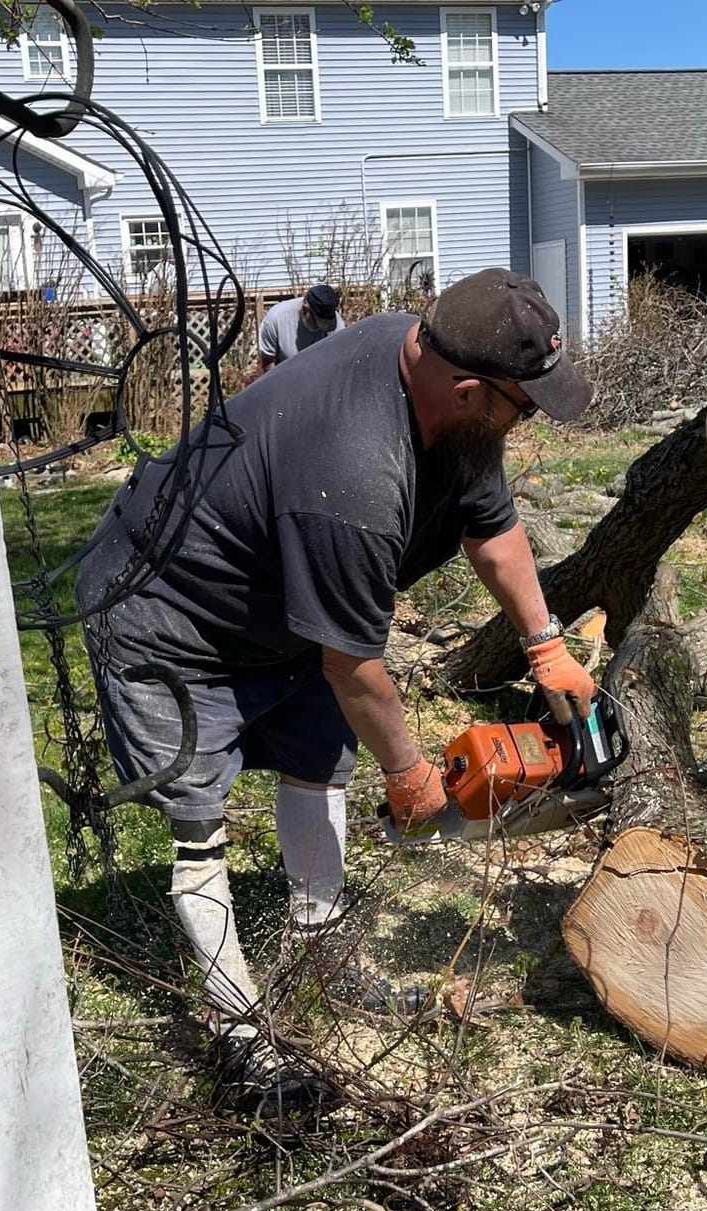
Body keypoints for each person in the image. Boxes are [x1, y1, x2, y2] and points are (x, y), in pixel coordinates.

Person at [78, 269, 595, 1114]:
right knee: (198, 817)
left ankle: (321, 956)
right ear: (469, 392)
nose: (528, 420)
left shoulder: (428, 361)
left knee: (319, 756)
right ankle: (241, 1034)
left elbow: (491, 523)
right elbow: (354, 668)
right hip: (170, 611)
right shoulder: (355, 473)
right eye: (524, 406)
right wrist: (412, 776)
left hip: (277, 601)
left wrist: (545, 646)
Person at [255, 283, 343, 372]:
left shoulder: (338, 326)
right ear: (305, 309)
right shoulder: (275, 319)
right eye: (317, 323)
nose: (321, 328)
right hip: (286, 378)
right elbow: (268, 362)